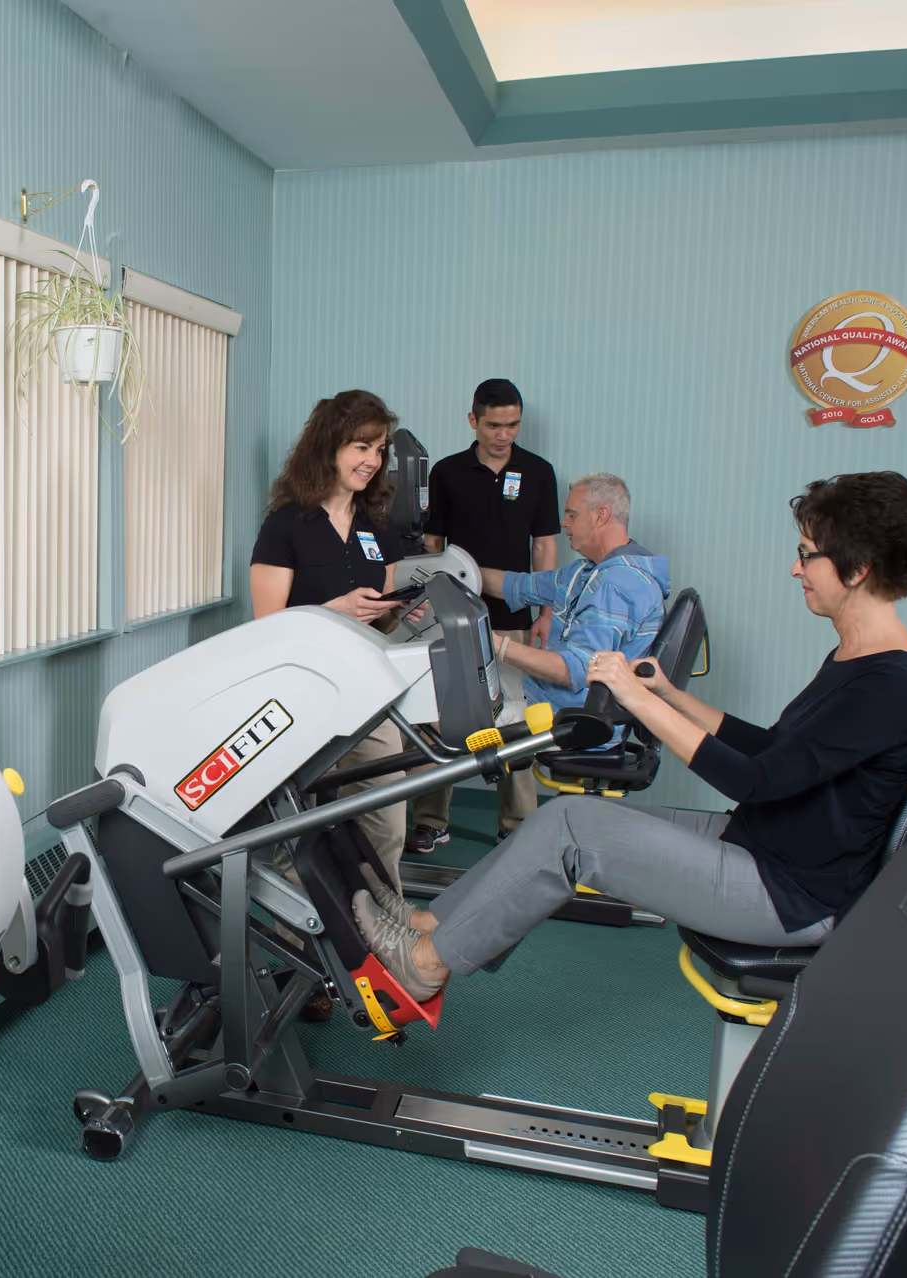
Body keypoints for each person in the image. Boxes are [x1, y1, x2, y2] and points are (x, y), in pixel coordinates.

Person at [354, 472, 907, 1002]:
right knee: (561, 819)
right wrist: (667, 693)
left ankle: (426, 965)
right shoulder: (860, 658)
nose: (796, 568)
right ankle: (432, 926)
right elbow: (773, 748)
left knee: (572, 829)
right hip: (765, 845)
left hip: (789, 895)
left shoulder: (888, 686)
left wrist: (635, 702)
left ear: (858, 569)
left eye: (807, 555)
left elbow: (755, 780)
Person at [252, 391, 423, 1018]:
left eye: (380, 450)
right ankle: (306, 966)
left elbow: (387, 607)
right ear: (329, 446)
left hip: (368, 694)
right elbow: (266, 623)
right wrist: (334, 610)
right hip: (301, 701)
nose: (374, 460)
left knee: (384, 824)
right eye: (362, 447)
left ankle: (389, 949)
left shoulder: (378, 527)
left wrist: (403, 609)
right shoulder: (287, 523)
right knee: (302, 839)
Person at [413, 379, 560, 850]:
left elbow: (544, 545)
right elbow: (431, 546)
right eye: (494, 425)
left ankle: (517, 825)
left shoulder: (538, 472)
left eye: (513, 425)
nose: (504, 434)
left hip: (514, 614)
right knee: (443, 714)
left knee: (516, 716)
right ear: (473, 420)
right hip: (452, 615)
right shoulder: (447, 473)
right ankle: (431, 819)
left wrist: (546, 610)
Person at [475, 473, 668, 721]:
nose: (563, 523)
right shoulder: (587, 571)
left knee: (447, 731)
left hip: (568, 725)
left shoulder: (617, 585)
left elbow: (574, 670)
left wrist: (494, 644)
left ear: (601, 517)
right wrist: (461, 572)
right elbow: (519, 585)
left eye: (572, 514)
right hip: (542, 703)